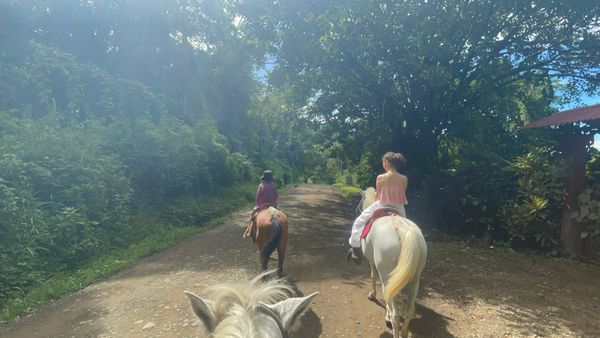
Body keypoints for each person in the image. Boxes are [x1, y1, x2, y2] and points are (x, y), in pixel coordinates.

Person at [348, 152, 408, 263]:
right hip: (399, 207)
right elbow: (402, 192)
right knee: (407, 227)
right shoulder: (404, 178)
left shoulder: (381, 177)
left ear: (387, 162)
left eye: (383, 162)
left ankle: (355, 249)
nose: (383, 165)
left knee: (358, 221)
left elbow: (378, 196)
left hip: (382, 204)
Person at [243, 170, 279, 239]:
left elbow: (258, 197)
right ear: (271, 178)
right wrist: (273, 204)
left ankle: (248, 231)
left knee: (252, 214)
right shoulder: (274, 185)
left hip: (261, 206)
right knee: (279, 215)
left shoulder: (261, 185)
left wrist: (258, 205)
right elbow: (276, 196)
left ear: (264, 178)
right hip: (272, 206)